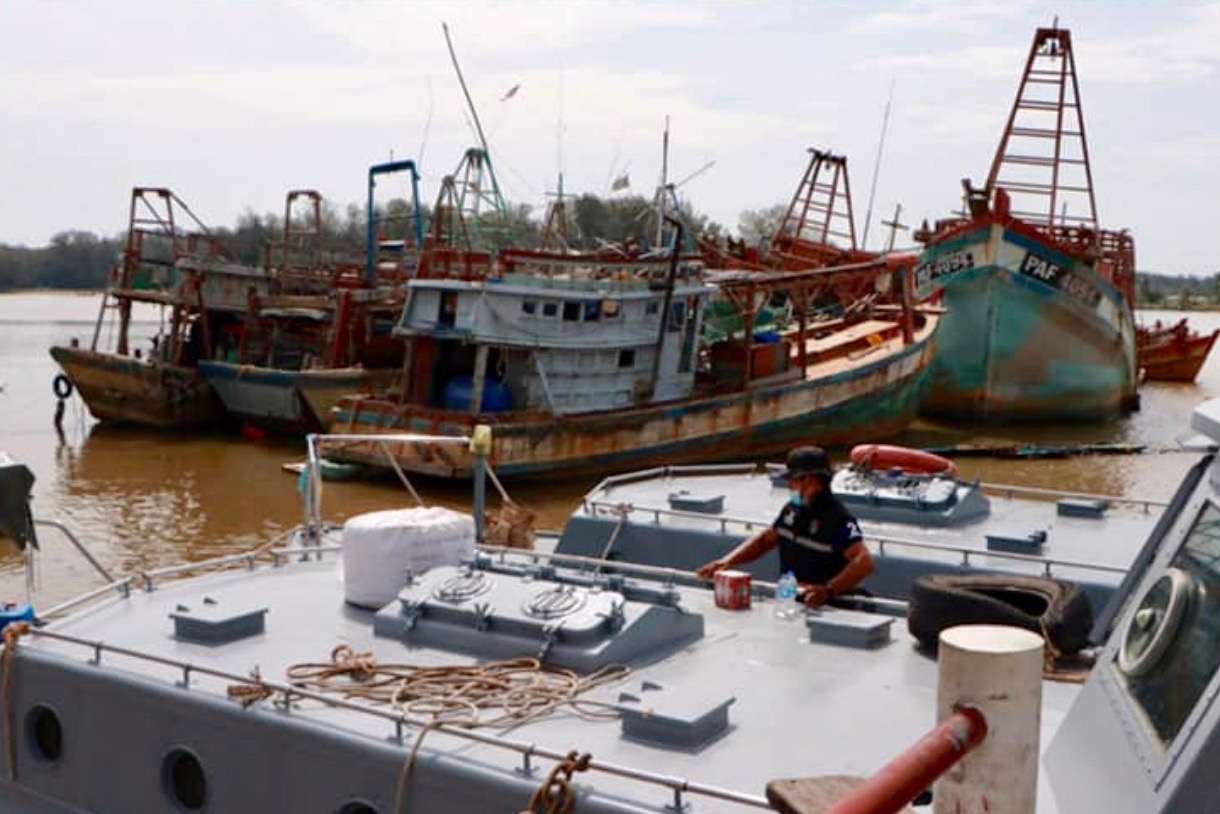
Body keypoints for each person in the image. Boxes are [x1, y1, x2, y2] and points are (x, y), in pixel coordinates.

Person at [695, 446, 874, 608]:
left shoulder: (837, 518)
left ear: (809, 480)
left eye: (793, 480)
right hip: (792, 599)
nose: (789, 486)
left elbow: (864, 562)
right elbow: (766, 540)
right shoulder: (792, 510)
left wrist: (828, 590)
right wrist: (727, 562)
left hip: (826, 606)